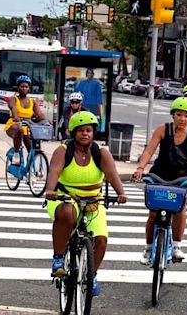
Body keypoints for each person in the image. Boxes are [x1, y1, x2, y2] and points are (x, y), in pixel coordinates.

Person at [45, 111, 128, 297]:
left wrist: (121, 193)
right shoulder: (63, 151)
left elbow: (112, 174)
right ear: (73, 133)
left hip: (93, 200)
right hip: (65, 197)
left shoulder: (101, 153)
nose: (85, 134)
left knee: (101, 239)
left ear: (94, 132)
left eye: (89, 130)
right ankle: (58, 259)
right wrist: (50, 190)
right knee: (66, 213)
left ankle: (92, 275)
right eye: (81, 130)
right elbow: (54, 171)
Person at [133, 97, 187, 264]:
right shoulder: (162, 129)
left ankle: (176, 246)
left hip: (181, 175)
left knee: (180, 209)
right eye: (179, 115)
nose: (182, 119)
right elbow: (149, 150)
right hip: (159, 173)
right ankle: (149, 247)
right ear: (173, 115)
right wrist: (140, 168)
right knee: (153, 212)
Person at [4, 75, 48, 165]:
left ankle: (31, 167)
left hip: (27, 126)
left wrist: (46, 121)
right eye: (22, 86)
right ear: (18, 88)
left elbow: (40, 114)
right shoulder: (13, 99)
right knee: (19, 129)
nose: (24, 88)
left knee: (31, 147)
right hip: (14, 125)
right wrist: (16, 116)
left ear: (29, 88)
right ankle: (16, 153)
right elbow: (13, 107)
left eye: (26, 87)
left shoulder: (32, 102)